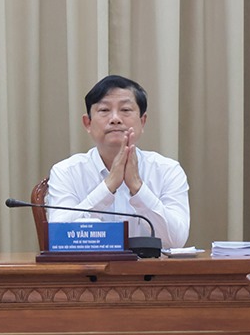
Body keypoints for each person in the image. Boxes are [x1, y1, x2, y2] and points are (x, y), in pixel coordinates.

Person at [46, 74, 190, 249]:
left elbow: (176, 241)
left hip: (151, 274)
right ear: (88, 123)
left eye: (126, 110)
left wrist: (137, 187)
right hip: (89, 273)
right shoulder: (66, 172)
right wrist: (108, 186)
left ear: (143, 121)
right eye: (104, 110)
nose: (115, 118)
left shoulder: (167, 170)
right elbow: (60, 236)